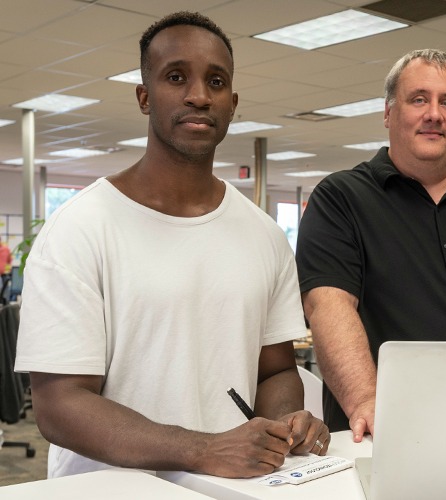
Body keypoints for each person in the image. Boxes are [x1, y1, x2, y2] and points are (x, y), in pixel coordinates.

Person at [14, 11, 329, 479]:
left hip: (230, 488)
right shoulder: (80, 228)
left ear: (232, 102)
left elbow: (275, 371)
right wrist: (203, 449)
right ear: (145, 97)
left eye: (216, 82)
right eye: (176, 77)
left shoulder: (263, 234)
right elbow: (60, 405)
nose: (199, 95)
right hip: (109, 493)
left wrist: (283, 425)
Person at [295, 49, 446, 441]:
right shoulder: (341, 199)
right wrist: (367, 402)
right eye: (419, 99)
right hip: (391, 433)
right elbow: (329, 306)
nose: (434, 113)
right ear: (389, 113)